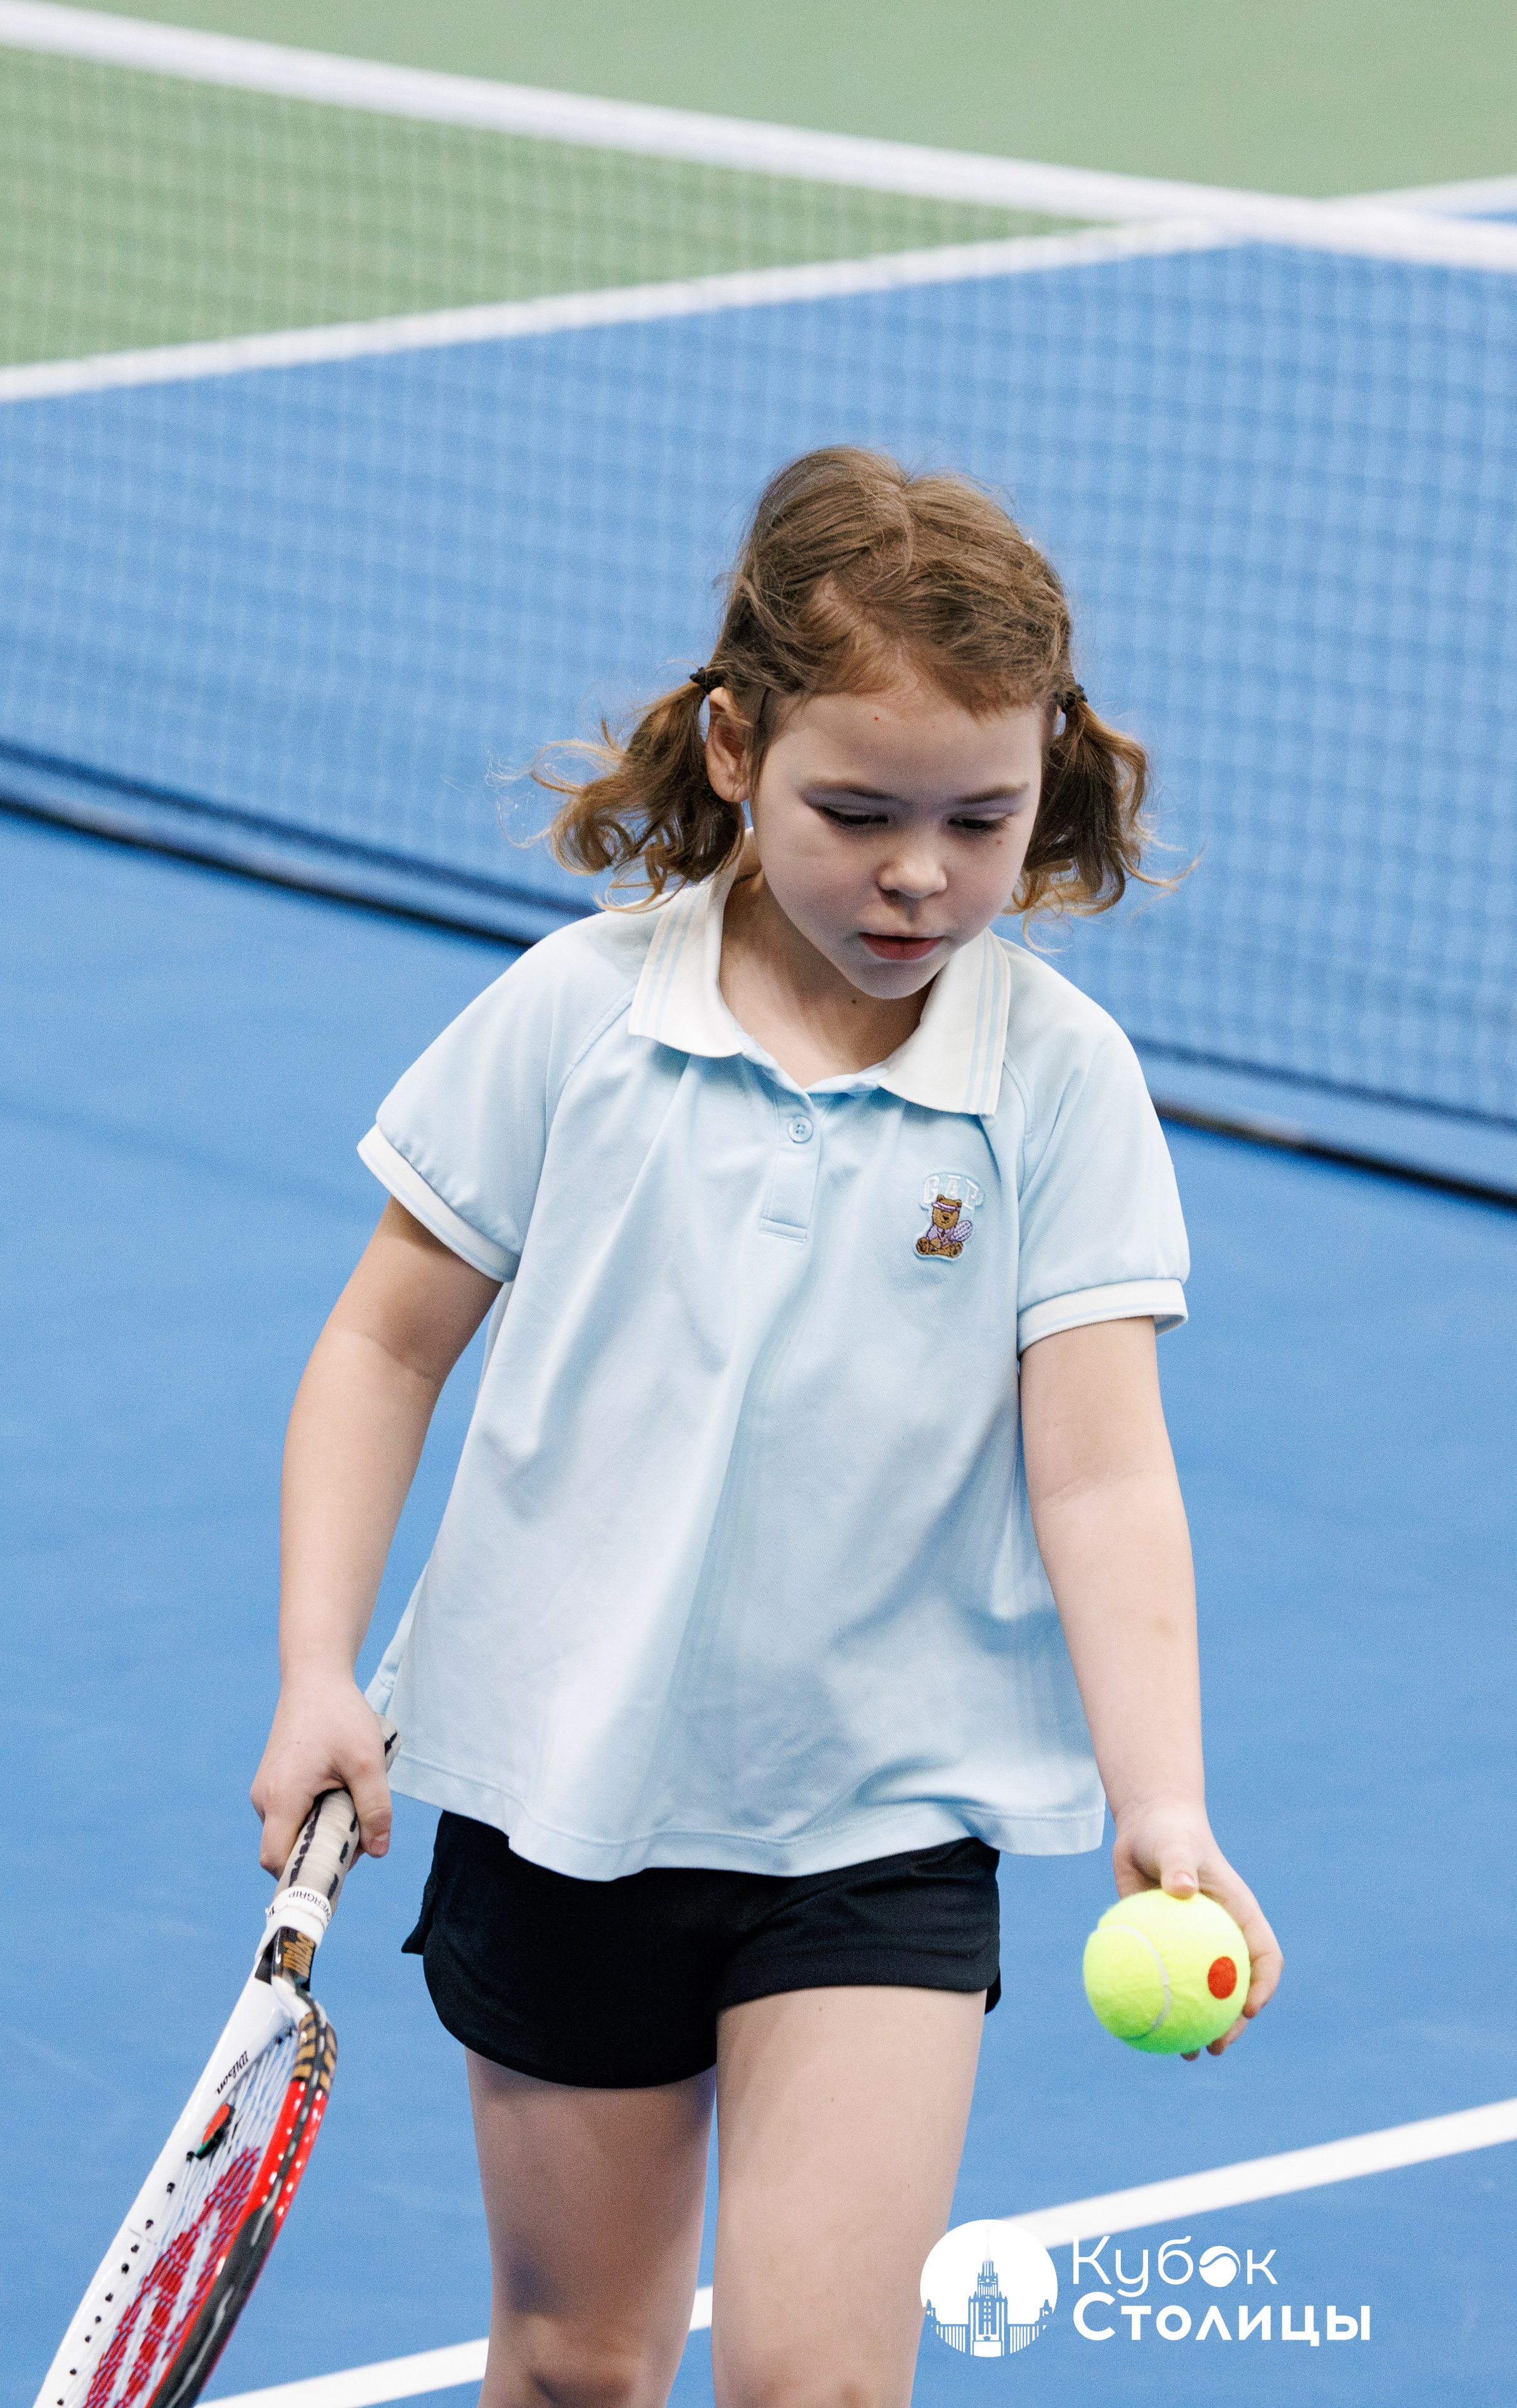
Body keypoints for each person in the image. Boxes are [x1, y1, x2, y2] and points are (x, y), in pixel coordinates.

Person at [250, 446, 1282, 2408]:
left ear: (1047, 776)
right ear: (733, 749)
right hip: (564, 1791)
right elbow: (384, 1348)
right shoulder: (576, 1018)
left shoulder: (1056, 1084)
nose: (920, 875)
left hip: (883, 1812)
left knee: (819, 2382)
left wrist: (1164, 1798)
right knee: (576, 2366)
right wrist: (318, 1669)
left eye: (982, 820)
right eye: (858, 811)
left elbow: (1105, 1469)